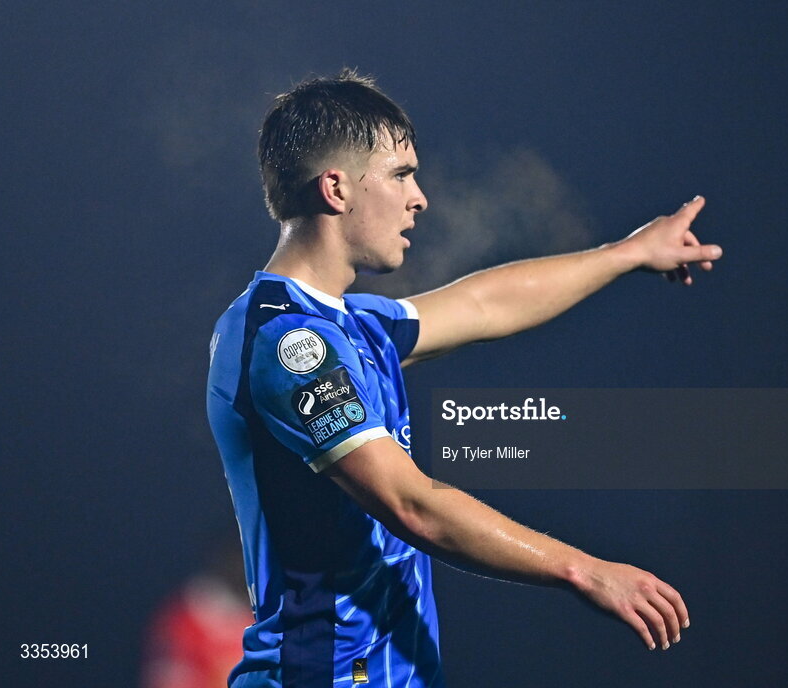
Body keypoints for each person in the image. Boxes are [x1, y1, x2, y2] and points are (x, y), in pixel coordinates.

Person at [206, 69, 722, 688]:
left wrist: (628, 253)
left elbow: (485, 305)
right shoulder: (288, 344)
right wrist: (584, 570)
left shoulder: (351, 325)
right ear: (336, 188)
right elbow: (412, 505)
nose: (420, 197)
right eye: (401, 176)